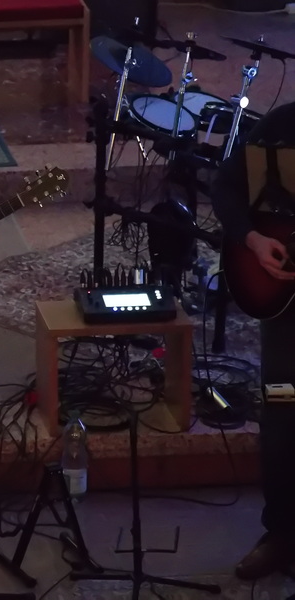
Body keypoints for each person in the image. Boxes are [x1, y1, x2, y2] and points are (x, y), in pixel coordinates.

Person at [210, 99, 295, 580]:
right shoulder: (283, 123)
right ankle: (281, 533)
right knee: (282, 409)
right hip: (285, 307)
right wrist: (253, 239)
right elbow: (225, 185)